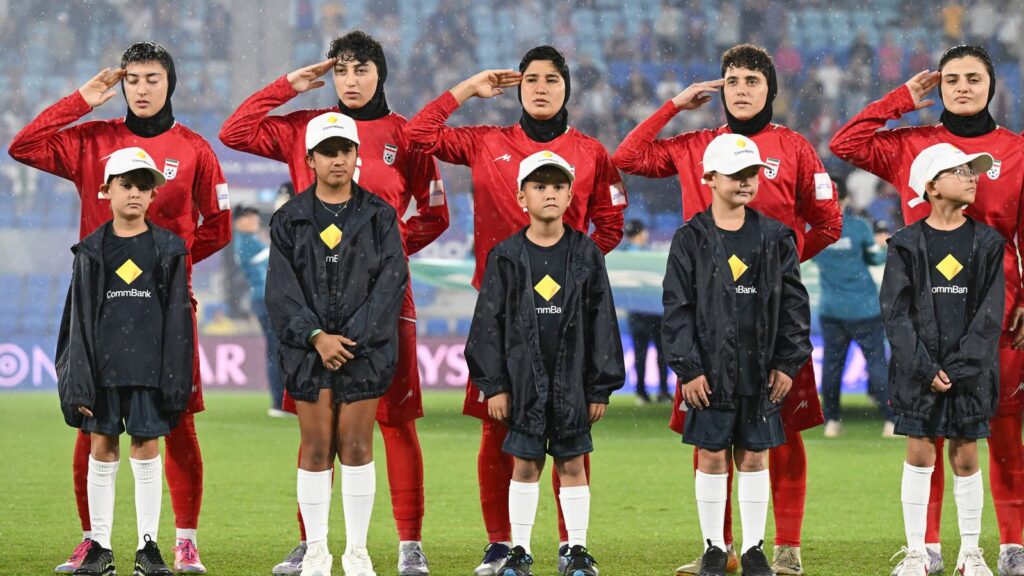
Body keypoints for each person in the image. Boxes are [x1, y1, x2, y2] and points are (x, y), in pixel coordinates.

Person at [219, 30, 445, 575]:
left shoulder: (407, 135)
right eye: (340, 70)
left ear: (380, 74)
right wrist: (288, 86)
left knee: (395, 422)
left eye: (361, 68)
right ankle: (311, 543)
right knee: (316, 429)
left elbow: (435, 214)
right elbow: (234, 131)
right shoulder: (305, 127)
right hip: (312, 305)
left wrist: (382, 254)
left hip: (385, 302)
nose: (350, 79)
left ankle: (409, 543)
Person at [613, 44, 839, 575]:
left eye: (752, 81)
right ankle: (722, 548)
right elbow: (627, 158)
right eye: (732, 80)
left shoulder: (795, 147)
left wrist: (776, 271)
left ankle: (785, 547)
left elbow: (828, 222)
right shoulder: (696, 145)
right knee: (710, 435)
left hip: (770, 321)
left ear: (770, 90)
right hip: (709, 321)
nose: (741, 89)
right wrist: (673, 106)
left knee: (782, 435)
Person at [8, 41, 231, 574]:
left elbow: (219, 226)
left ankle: (184, 541)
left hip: (167, 305)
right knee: (91, 420)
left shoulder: (194, 149)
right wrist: (80, 101)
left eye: (153, 79)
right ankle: (94, 541)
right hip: (98, 305)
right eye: (132, 79)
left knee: (177, 420)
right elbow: (23, 145)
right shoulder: (92, 140)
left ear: (170, 83)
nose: (141, 89)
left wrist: (166, 267)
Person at [403, 45, 626, 576]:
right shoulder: (487, 141)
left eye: (552, 79)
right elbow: (417, 136)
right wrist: (467, 88)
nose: (541, 88)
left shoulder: (592, 152)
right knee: (496, 430)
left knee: (571, 433)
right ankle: (502, 544)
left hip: (566, 319)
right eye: (531, 80)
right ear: (517, 88)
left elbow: (611, 225)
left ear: (567, 88)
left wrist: (569, 274)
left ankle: (572, 547)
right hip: (500, 317)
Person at [830, 45, 1024, 576]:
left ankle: (1012, 545)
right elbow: (844, 144)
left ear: (992, 85)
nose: (962, 87)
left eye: (974, 78)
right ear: (939, 86)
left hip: (998, 314)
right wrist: (898, 100)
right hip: (924, 316)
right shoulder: (911, 143)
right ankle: (929, 548)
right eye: (952, 78)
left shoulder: (1017, 151)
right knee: (928, 433)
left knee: (1002, 431)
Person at [465, 150, 625, 576]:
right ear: (522, 197)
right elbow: (488, 326)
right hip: (521, 384)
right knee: (525, 465)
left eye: (558, 186)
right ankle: (519, 551)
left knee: (572, 465)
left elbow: (602, 321)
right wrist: (494, 385)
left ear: (571, 195)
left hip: (573, 383)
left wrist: (600, 387)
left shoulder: (586, 253)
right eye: (539, 186)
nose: (549, 194)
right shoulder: (505, 255)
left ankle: (576, 549)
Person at [662, 133, 812, 576]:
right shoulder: (690, 238)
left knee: (754, 456)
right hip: (708, 373)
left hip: (761, 370)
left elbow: (794, 306)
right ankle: (714, 547)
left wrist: (786, 363)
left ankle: (753, 549)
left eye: (752, 173)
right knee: (711, 455)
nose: (746, 181)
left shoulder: (775, 236)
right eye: (736, 174)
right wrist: (689, 369)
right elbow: (676, 308)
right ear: (709, 178)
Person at [265, 112, 407, 576]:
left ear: (356, 154)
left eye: (345, 150)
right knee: (315, 446)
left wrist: (348, 340)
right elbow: (281, 291)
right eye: (327, 152)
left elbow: (390, 284)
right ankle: (317, 551)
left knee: (358, 445)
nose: (338, 159)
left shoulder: (380, 216)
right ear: (310, 159)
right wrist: (316, 337)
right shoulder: (289, 218)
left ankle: (357, 552)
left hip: (364, 350)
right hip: (307, 351)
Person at [56, 148, 194, 576]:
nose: (135, 193)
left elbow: (178, 321)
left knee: (147, 449)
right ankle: (100, 546)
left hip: (149, 371)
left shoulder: (169, 248)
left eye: (143, 186)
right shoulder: (90, 250)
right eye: (126, 184)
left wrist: (176, 380)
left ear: (153, 195)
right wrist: (79, 380)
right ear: (106, 190)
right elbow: (78, 321)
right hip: (103, 371)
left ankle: (147, 548)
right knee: (102, 448)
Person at [881, 144, 1004, 576]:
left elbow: (990, 315)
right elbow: (895, 314)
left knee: (966, 456)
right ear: (931, 186)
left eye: (973, 171)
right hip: (919, 373)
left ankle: (970, 553)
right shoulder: (904, 243)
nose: (972, 177)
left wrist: (957, 368)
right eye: (961, 171)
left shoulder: (988, 242)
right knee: (919, 454)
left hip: (969, 374)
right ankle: (917, 552)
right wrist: (925, 367)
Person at [812, 181, 894, 438]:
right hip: (864, 307)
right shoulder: (858, 226)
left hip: (832, 308)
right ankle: (890, 420)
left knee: (832, 366)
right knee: (877, 363)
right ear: (846, 199)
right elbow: (876, 258)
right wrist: (883, 246)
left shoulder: (813, 230)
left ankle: (831, 421)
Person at [233, 205, 285, 417]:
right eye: (249, 218)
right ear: (238, 222)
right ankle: (280, 402)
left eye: (255, 217)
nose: (255, 221)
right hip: (266, 299)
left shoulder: (246, 241)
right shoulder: (247, 243)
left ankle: (281, 401)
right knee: (277, 349)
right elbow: (280, 256)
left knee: (275, 349)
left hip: (262, 299)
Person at [622, 219, 670, 404]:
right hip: (655, 310)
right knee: (661, 353)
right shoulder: (650, 255)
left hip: (636, 311)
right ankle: (663, 391)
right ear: (642, 233)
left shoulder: (623, 255)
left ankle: (641, 392)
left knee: (640, 353)